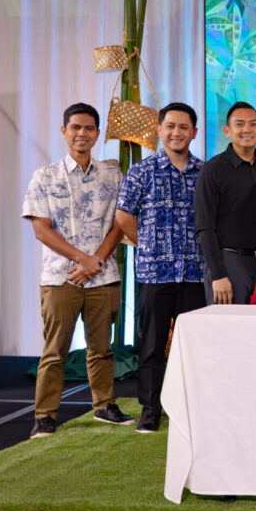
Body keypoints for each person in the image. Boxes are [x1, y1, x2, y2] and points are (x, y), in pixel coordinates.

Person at [21, 103, 133, 438]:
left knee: (102, 349)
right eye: (75, 127)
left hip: (104, 276)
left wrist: (96, 259)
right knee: (54, 351)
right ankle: (45, 416)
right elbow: (41, 230)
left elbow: (120, 224)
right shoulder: (44, 176)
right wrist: (82, 260)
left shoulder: (113, 176)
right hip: (60, 278)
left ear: (97, 134)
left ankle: (105, 406)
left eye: (88, 128)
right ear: (64, 131)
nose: (81, 134)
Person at [115, 102, 207, 434]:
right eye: (170, 126)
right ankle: (151, 410)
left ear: (194, 132)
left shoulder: (205, 172)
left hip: (195, 273)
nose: (176, 133)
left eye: (183, 127)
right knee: (152, 345)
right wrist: (150, 244)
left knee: (193, 347)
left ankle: (191, 409)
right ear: (159, 130)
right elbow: (123, 215)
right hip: (155, 273)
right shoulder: (141, 172)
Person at [194, 102, 256, 305]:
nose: (247, 129)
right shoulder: (213, 169)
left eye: (253, 124)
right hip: (230, 263)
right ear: (227, 131)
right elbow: (205, 227)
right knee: (229, 324)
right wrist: (218, 275)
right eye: (239, 124)